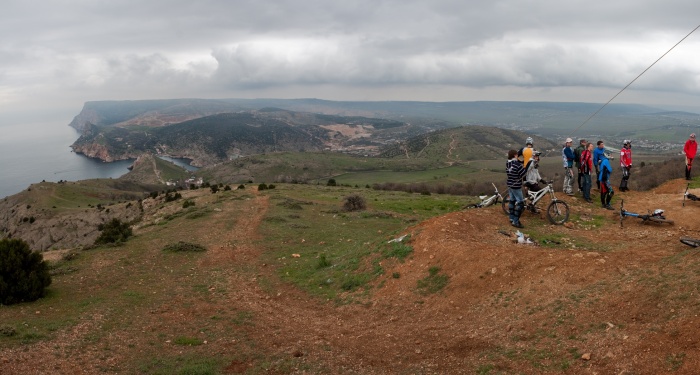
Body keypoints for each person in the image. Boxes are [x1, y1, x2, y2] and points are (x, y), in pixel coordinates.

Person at [506, 149, 526, 228]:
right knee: (520, 203)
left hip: (510, 185)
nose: (518, 155)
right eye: (517, 154)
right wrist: (524, 167)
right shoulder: (517, 164)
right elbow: (523, 174)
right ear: (515, 155)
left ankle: (511, 218)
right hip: (516, 186)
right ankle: (516, 221)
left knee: (512, 200)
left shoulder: (508, 163)